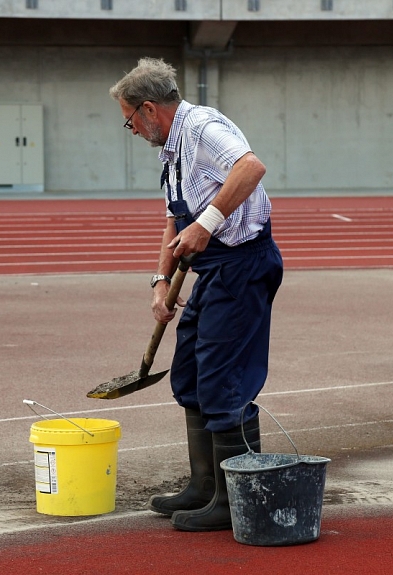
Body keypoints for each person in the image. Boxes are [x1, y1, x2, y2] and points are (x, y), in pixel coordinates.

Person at [109, 58, 283, 532]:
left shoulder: (203, 127)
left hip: (242, 267)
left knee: (224, 380)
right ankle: (204, 485)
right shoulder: (171, 149)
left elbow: (251, 167)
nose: (130, 129)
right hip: (212, 272)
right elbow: (174, 218)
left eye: (129, 119)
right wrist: (160, 281)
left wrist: (207, 224)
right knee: (189, 373)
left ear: (148, 109)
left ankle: (233, 499)